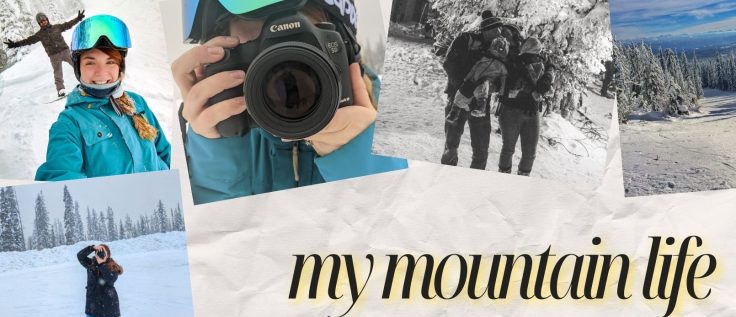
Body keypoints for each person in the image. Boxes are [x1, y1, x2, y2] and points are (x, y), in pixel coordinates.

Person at [175, 0, 405, 204]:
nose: (285, 68)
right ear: (222, 56)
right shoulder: (218, 131)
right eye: (258, 47)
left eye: (302, 44)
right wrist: (216, 151)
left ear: (343, 48)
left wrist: (361, 158)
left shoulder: (401, 118)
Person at [35, 15, 171, 181]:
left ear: (120, 66)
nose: (101, 73)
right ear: (78, 68)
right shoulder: (70, 124)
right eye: (90, 63)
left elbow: (165, 152)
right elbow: (61, 178)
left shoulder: (137, 103)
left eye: (110, 62)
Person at [441, 11, 519, 169]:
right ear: (487, 29)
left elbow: (505, 75)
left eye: (500, 30)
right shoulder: (465, 39)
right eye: (496, 29)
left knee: (481, 149)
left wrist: (494, 87)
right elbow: (448, 64)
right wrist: (466, 86)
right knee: (451, 146)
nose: (500, 33)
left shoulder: (499, 48)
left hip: (481, 104)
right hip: (459, 96)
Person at [497, 36, 553, 177]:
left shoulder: (515, 61)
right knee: (528, 153)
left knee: (510, 150)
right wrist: (549, 70)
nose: (537, 56)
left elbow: (541, 86)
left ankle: (504, 178)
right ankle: (519, 178)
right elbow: (542, 86)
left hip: (516, 110)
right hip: (524, 111)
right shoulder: (519, 63)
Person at [3, 10, 85, 98]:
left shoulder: (56, 27)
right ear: (39, 24)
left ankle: (85, 80)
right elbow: (28, 41)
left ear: (47, 19)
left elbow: (68, 25)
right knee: (58, 73)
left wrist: (78, 18)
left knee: (76, 65)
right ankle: (61, 90)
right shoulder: (39, 35)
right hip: (54, 55)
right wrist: (15, 44)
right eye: (41, 21)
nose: (43, 22)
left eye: (44, 20)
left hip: (65, 51)